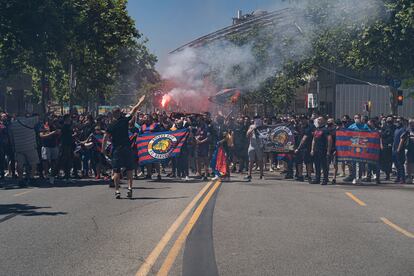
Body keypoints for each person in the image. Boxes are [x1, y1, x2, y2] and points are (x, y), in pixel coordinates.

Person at [102, 95, 145, 199]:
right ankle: (130, 188)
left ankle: (117, 191)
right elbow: (134, 110)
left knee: (116, 170)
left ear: (113, 114)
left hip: (117, 149)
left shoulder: (111, 125)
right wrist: (140, 102)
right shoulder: (124, 119)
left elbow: (105, 137)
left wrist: (103, 150)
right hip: (127, 148)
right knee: (129, 169)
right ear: (120, 112)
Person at [310, 116, 332, 185]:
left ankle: (325, 179)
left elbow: (329, 140)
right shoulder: (317, 129)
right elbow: (314, 139)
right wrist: (312, 149)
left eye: (320, 119)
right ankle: (317, 178)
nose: (318, 120)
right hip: (316, 150)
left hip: (323, 150)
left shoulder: (325, 130)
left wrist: (328, 150)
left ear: (323, 121)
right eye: (318, 119)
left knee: (324, 166)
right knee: (317, 165)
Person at [246, 116, 264, 181]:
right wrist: (253, 128)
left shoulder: (263, 127)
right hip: (252, 145)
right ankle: (249, 174)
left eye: (258, 120)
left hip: (259, 146)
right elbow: (247, 134)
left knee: (260, 160)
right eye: (256, 120)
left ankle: (261, 175)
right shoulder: (251, 126)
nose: (257, 121)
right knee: (251, 160)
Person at [393, 117, 406, 184]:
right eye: (396, 121)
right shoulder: (396, 129)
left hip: (399, 149)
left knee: (400, 164)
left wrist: (398, 148)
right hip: (394, 149)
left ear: (402, 122)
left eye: (399, 121)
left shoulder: (403, 129)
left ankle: (402, 178)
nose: (397, 122)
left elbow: (402, 140)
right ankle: (398, 177)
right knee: (396, 165)